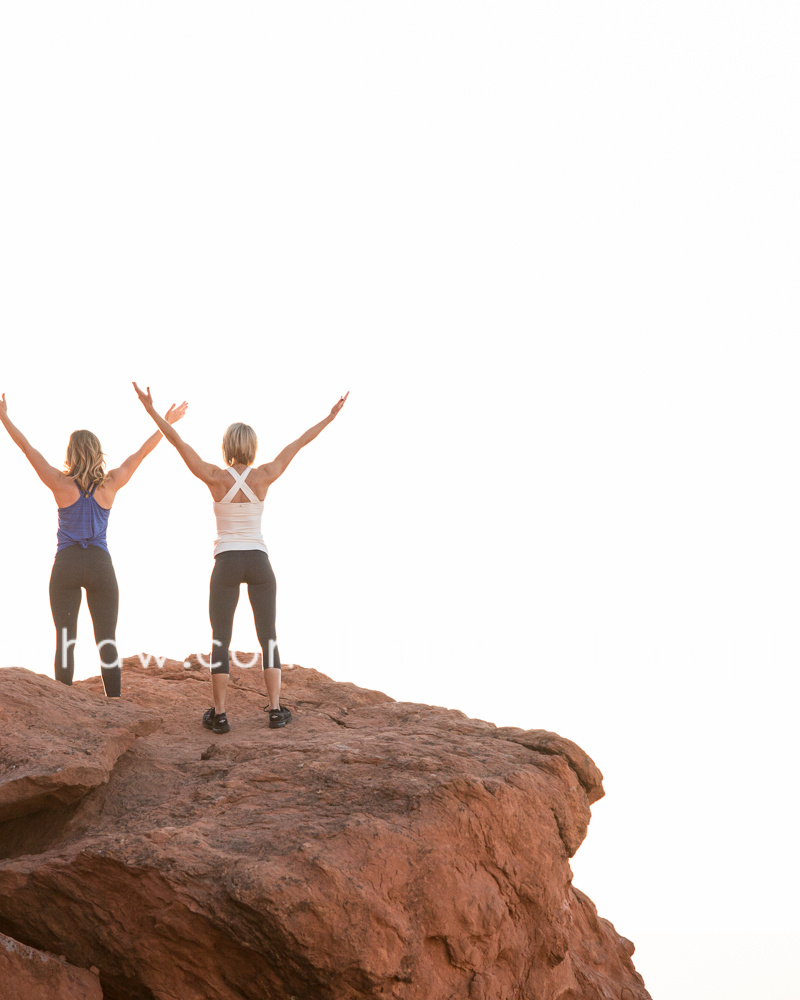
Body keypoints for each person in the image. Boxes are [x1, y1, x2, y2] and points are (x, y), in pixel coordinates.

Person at [133, 382, 348, 733]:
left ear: (226, 447)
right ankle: (276, 710)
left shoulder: (215, 477)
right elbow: (300, 443)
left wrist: (151, 410)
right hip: (260, 562)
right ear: (252, 448)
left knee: (221, 637)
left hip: (227, 562)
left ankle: (219, 715)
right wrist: (330, 416)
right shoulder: (264, 475)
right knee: (269, 636)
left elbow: (176, 442)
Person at [0, 392, 187, 697]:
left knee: (65, 639)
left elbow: (27, 448)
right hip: (100, 565)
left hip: (67, 565)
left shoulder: (59, 483)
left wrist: (4, 417)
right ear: (98, 453)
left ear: (71, 454)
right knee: (107, 639)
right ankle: (113, 705)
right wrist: (166, 420)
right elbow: (141, 453)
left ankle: (65, 704)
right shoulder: (111, 482)